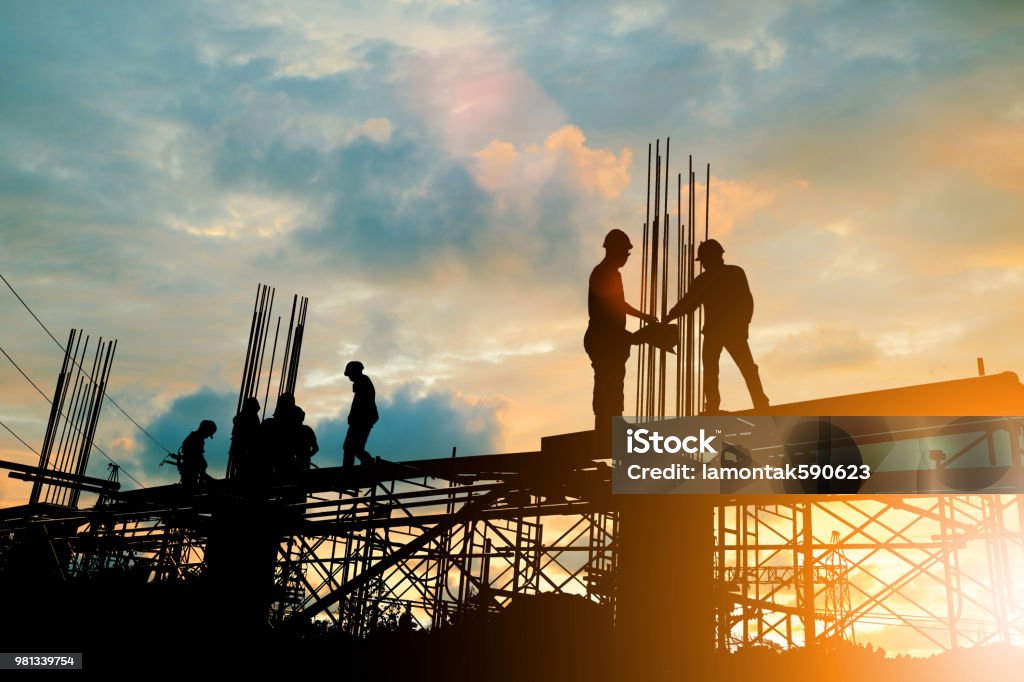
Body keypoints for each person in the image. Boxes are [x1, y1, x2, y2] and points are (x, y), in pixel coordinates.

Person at [664, 239, 769, 414]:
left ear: (713, 257)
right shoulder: (723, 275)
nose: (703, 264)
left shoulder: (728, 275)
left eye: (704, 260)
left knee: (735, 368)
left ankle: (756, 401)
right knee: (721, 368)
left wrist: (743, 325)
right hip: (720, 331)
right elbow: (689, 303)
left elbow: (745, 302)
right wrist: (670, 315)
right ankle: (750, 402)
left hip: (725, 331)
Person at [584, 228, 657, 431]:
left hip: (610, 337)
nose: (626, 257)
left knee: (615, 378)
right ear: (614, 250)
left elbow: (617, 305)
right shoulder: (605, 273)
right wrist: (644, 320)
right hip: (603, 338)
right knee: (607, 379)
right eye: (625, 252)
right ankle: (604, 425)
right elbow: (615, 305)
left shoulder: (610, 273)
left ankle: (613, 420)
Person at [343, 361, 378, 468]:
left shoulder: (363, 383)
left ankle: (365, 464)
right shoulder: (362, 383)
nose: (349, 377)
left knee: (351, 447)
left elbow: (360, 404)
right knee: (353, 447)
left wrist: (353, 417)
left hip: (362, 420)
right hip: (362, 420)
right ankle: (365, 463)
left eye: (350, 374)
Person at [228, 397, 261, 480]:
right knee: (242, 470)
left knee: (238, 470)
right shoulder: (250, 418)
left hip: (239, 449)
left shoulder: (241, 417)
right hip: (244, 449)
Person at [179, 419, 216, 491]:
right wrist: (205, 476)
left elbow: (200, 461)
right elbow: (195, 461)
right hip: (190, 477)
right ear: (206, 430)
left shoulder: (197, 439)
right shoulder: (194, 440)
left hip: (193, 475)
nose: (208, 436)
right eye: (209, 434)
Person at [295, 407, 319, 471]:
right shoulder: (307, 430)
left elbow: (316, 448)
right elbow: (316, 448)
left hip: (302, 463)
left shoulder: (307, 430)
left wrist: (305, 457)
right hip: (301, 462)